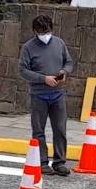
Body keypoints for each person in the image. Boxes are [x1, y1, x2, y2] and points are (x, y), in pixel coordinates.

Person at [19, 15, 74, 176]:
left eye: (48, 31)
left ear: (52, 29)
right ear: (35, 31)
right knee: (38, 131)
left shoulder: (59, 43)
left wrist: (64, 72)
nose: (45, 35)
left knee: (60, 129)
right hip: (38, 95)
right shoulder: (28, 47)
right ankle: (42, 162)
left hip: (58, 94)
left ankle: (59, 162)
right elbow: (23, 70)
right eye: (42, 32)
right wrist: (44, 79)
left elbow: (69, 62)